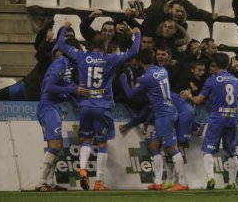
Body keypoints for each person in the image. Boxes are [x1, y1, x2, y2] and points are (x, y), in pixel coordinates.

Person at [57, 22, 141, 191]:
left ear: (91, 45)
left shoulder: (81, 56)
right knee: (102, 144)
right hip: (102, 106)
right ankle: (99, 182)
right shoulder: (110, 59)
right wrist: (137, 34)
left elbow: (61, 45)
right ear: (105, 45)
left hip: (86, 105)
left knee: (86, 140)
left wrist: (65, 28)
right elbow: (134, 52)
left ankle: (82, 171)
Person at [120, 49, 189, 191]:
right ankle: (157, 182)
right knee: (154, 146)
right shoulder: (163, 70)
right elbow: (152, 84)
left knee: (171, 148)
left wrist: (123, 80)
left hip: (165, 116)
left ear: (140, 63)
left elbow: (129, 94)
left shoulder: (146, 78)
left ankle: (182, 183)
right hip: (168, 111)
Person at [180, 53, 238, 190]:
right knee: (232, 152)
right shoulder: (236, 80)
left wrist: (189, 96)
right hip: (233, 119)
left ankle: (211, 179)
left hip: (217, 119)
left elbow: (198, 100)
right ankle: (232, 182)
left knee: (208, 150)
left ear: (216, 65)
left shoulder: (212, 80)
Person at [35, 39, 90, 191]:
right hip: (48, 107)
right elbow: (50, 86)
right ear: (73, 51)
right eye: (80, 50)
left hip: (54, 107)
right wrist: (74, 91)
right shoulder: (61, 63)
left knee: (54, 146)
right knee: (56, 144)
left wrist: (74, 102)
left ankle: (50, 183)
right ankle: (40, 182)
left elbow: (64, 86)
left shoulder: (68, 66)